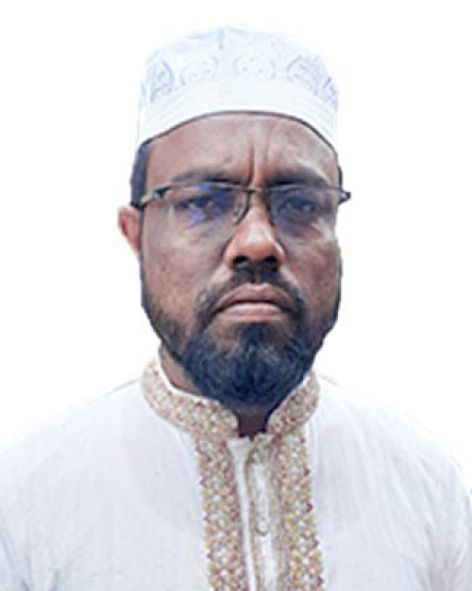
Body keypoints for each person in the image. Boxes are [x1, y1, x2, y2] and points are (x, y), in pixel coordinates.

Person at [0, 27, 471, 591]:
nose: (257, 242)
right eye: (203, 203)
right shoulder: (29, 502)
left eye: (300, 204)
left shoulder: (424, 486)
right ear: (135, 234)